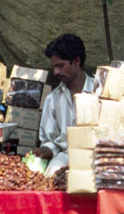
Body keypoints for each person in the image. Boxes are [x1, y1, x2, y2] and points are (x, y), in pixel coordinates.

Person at [33, 33, 93, 177]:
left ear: (77, 61)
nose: (56, 72)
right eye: (54, 67)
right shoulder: (52, 99)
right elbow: (50, 142)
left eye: (60, 66)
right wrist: (43, 151)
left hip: (95, 158)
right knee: (52, 176)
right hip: (65, 156)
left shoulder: (99, 92)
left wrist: (79, 164)